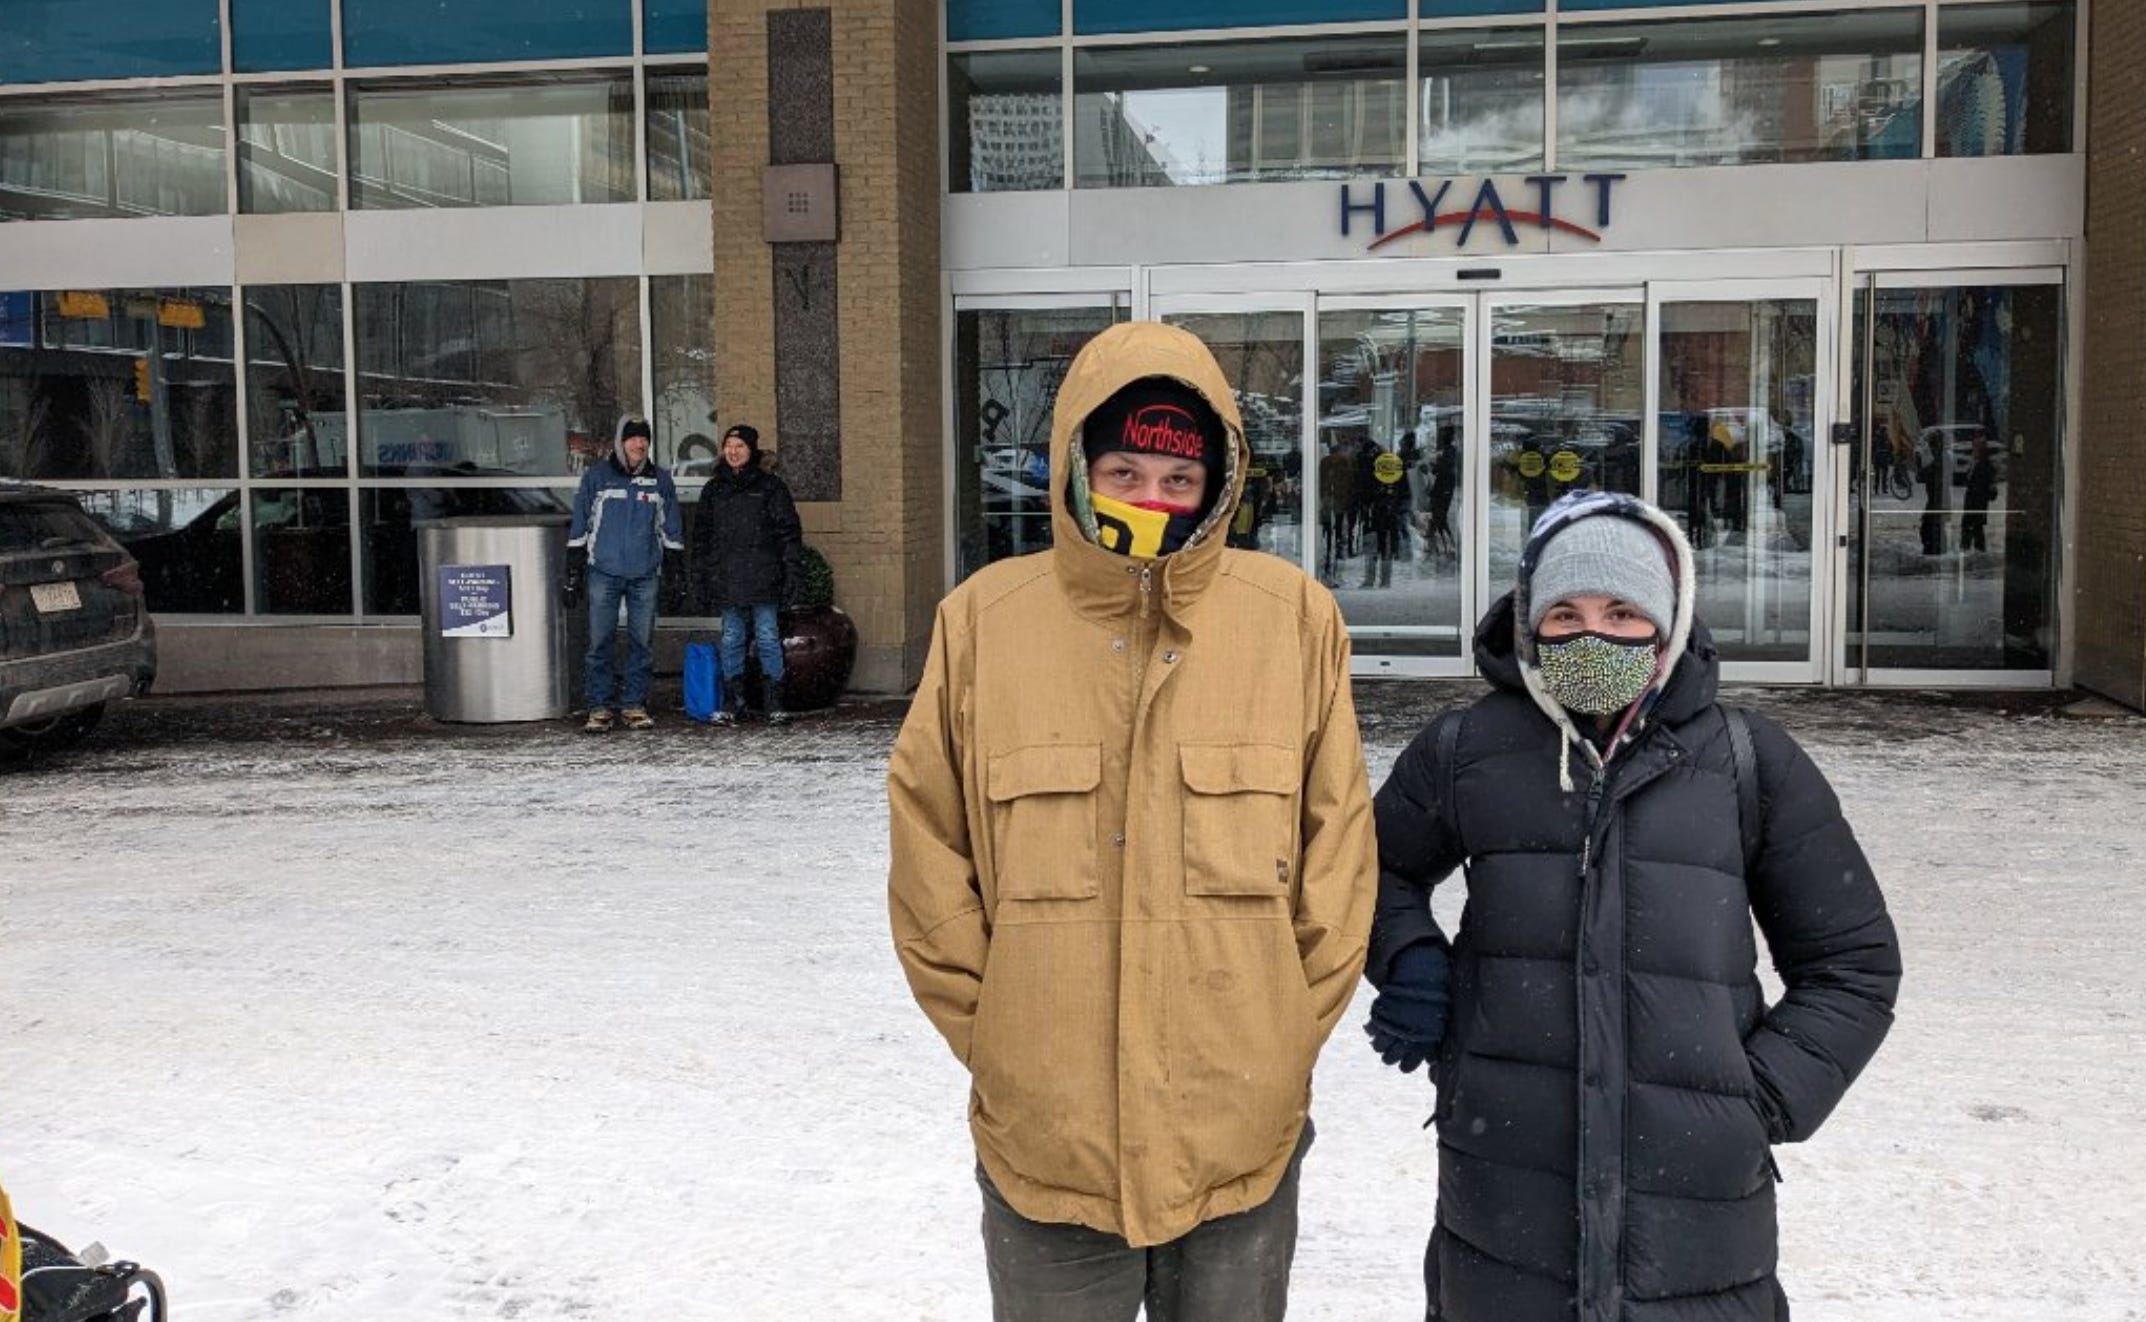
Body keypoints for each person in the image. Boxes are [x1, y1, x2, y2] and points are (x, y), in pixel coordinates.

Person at [887, 321, 1377, 1322]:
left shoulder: (1291, 619)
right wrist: (1004, 1040)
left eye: (1175, 479)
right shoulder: (984, 621)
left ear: (1217, 484)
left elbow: (1339, 857)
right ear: (1075, 467)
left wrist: (1280, 1033)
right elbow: (927, 848)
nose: (1150, 499)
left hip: (1239, 1134)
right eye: (1123, 469)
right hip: (1049, 1147)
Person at [1363, 489, 1902, 1322]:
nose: (1593, 637)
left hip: (1699, 1229)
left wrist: (1757, 1100)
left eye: (1623, 612)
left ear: (1668, 623)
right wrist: (1411, 958)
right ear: (1530, 624)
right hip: (1505, 1199)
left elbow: (1854, 964)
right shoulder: (1465, 751)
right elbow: (1366, 873)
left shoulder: (1746, 762)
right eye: (1565, 614)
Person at [564, 415, 683, 732]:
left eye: (644, 439)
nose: (639, 444)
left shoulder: (660, 480)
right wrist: (573, 570)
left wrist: (675, 572)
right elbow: (580, 524)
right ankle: (599, 707)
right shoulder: (598, 478)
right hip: (603, 572)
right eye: (632, 438)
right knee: (599, 642)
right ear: (621, 442)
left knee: (641, 643)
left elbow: (670, 528)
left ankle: (634, 704)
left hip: (645, 574)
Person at [688, 423, 803, 724]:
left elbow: (788, 533)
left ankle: (774, 701)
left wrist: (792, 572)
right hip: (727, 578)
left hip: (764, 577)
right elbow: (701, 537)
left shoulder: (770, 486)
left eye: (740, 446)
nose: (733, 452)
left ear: (751, 451)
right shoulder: (714, 489)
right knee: (732, 637)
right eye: (729, 446)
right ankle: (733, 699)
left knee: (767, 636)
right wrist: (700, 575)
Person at [1960, 433, 1998, 552]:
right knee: (1974, 527)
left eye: (1975, 447)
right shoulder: (1975, 463)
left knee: (1973, 527)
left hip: (1977, 502)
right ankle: (1972, 548)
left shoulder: (1985, 465)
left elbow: (1985, 486)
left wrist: (1981, 497)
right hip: (1973, 501)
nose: (1973, 449)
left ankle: (1970, 548)